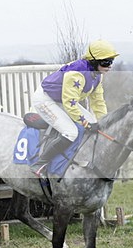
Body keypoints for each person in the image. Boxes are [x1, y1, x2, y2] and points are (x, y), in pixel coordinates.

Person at [29, 40, 119, 176]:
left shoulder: (97, 76)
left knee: (95, 123)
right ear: (94, 61)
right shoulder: (76, 73)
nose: (109, 66)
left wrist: (104, 122)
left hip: (62, 100)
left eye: (111, 61)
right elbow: (70, 103)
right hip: (46, 99)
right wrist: (86, 124)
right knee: (71, 132)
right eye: (106, 62)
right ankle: (40, 163)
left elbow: (98, 103)